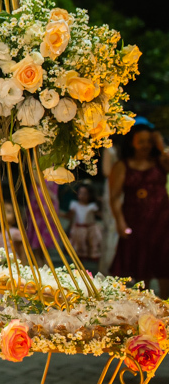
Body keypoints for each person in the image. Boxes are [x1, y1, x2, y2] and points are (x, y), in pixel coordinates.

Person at [108, 123, 169, 295]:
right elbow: (114, 197)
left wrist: (160, 144)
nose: (145, 145)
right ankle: (142, 308)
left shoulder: (160, 162)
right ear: (131, 143)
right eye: (141, 141)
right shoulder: (122, 165)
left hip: (163, 222)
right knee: (140, 266)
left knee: (164, 263)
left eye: (149, 141)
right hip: (135, 221)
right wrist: (120, 222)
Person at [67, 182, 103, 261]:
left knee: (89, 246)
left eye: (85, 194)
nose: (82, 196)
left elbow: (100, 215)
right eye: (80, 193)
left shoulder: (92, 206)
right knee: (78, 248)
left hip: (89, 230)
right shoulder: (74, 205)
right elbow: (70, 217)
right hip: (78, 230)